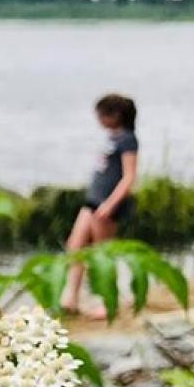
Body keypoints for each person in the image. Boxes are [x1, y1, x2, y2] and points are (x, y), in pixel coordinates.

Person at [62, 93, 139, 318]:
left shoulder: (127, 140)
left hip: (107, 203)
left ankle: (108, 301)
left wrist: (111, 204)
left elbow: (129, 176)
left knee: (102, 254)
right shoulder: (112, 137)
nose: (99, 118)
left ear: (116, 115)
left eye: (103, 113)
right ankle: (71, 297)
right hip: (93, 199)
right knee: (75, 245)